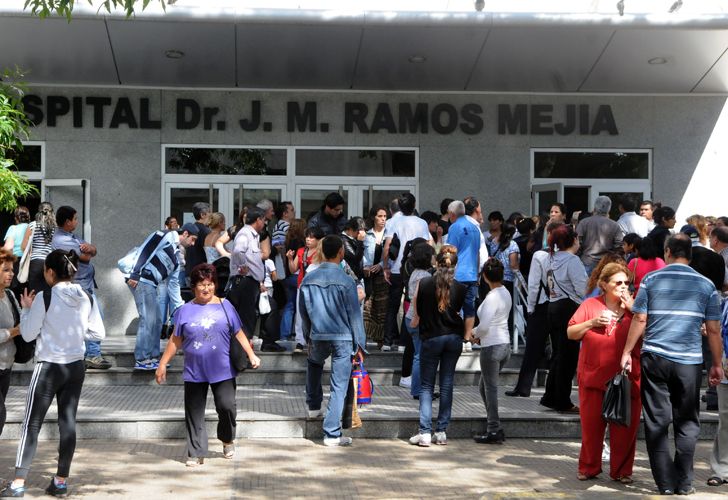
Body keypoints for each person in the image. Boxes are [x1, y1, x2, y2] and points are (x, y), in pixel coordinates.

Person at [620, 234, 724, 495]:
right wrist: (717, 364)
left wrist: (626, 351)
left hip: (655, 357)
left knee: (657, 422)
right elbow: (713, 330)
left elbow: (640, 318)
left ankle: (666, 484)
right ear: (689, 254)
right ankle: (685, 482)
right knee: (687, 422)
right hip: (689, 362)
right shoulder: (706, 285)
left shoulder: (652, 280)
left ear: (667, 252)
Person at [1, 250, 104, 498]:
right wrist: (74, 335)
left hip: (48, 367)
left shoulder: (45, 297)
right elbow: (97, 334)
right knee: (67, 423)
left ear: (49, 272)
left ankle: (18, 483)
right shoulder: (86, 296)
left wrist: (26, 311)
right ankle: (60, 481)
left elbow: (27, 334)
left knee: (31, 424)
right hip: (76, 367)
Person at [155, 263, 260, 467]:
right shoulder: (185, 310)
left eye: (210, 284)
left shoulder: (225, 305)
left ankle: (227, 439)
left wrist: (251, 354)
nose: (206, 288)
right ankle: (195, 451)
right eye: (202, 284)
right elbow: (176, 340)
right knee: (194, 412)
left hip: (223, 369)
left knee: (226, 406)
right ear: (194, 286)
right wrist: (162, 364)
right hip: (195, 370)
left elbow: (239, 332)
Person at [567, 262, 641, 484]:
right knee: (591, 428)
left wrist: (633, 310)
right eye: (618, 282)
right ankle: (589, 467)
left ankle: (622, 471)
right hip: (593, 377)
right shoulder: (591, 304)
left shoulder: (636, 308)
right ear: (604, 284)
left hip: (627, 378)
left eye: (626, 283)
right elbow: (571, 332)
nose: (623, 287)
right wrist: (591, 322)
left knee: (625, 430)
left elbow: (649, 333)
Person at [300, 235, 366, 447]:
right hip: (343, 336)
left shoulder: (308, 279)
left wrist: (307, 334)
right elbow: (354, 315)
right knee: (339, 385)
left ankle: (313, 405)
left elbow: (304, 313)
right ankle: (331, 433)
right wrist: (360, 344)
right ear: (341, 252)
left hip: (318, 333)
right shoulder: (346, 281)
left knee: (314, 363)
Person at [409, 245, 465, 447]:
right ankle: (441, 431)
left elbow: (417, 307)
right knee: (447, 384)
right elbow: (465, 313)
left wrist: (417, 320)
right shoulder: (460, 287)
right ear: (455, 265)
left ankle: (424, 431)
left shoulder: (424, 283)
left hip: (430, 337)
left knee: (426, 385)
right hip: (453, 338)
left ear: (436, 262)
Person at [126, 223, 198, 370]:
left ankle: (153, 357)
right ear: (185, 233)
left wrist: (179, 306)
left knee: (158, 320)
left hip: (152, 284)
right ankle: (142, 358)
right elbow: (145, 250)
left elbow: (174, 283)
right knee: (148, 318)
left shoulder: (177, 257)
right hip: (141, 280)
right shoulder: (163, 235)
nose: (193, 243)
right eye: (193, 239)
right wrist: (135, 272)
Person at [506, 221, 562, 398]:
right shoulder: (569, 257)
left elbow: (534, 285)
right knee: (559, 349)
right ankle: (555, 390)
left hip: (542, 304)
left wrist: (530, 307)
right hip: (561, 305)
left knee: (532, 348)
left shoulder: (540, 255)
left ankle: (523, 387)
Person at [52, 205, 111, 370]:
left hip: (85, 284)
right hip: (78, 284)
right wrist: (89, 250)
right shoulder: (61, 239)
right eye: (75, 219)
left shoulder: (73, 236)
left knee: (92, 316)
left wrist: (91, 248)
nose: (77, 221)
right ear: (67, 221)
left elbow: (93, 250)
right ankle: (91, 355)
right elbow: (85, 256)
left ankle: (89, 354)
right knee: (93, 316)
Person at [540, 224, 588, 413]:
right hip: (568, 308)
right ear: (572, 240)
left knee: (558, 355)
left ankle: (551, 396)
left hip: (553, 306)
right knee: (567, 357)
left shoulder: (551, 258)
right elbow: (582, 289)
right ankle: (562, 400)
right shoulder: (572, 260)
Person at [227, 207, 283, 352]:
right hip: (245, 283)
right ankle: (242, 354)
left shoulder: (253, 235)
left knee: (269, 307)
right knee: (246, 320)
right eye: (264, 220)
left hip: (252, 283)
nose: (265, 223)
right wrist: (242, 266)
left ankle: (266, 343)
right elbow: (238, 251)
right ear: (258, 220)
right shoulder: (245, 234)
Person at [381, 193, 433, 351]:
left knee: (393, 305)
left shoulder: (392, 222)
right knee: (411, 303)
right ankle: (404, 342)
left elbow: (387, 246)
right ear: (414, 204)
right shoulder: (422, 222)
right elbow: (428, 244)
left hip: (397, 268)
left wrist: (385, 267)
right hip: (415, 268)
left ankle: (387, 342)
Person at [472, 258, 512, 445]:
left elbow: (485, 326)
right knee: (485, 386)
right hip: (504, 344)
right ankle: (493, 424)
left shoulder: (492, 297)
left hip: (492, 346)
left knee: (490, 388)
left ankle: (493, 429)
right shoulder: (505, 293)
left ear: (485, 276)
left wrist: (473, 333)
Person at [446, 199, 482, 351]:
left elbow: (450, 252)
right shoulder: (475, 228)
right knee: (470, 308)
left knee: (452, 308)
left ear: (452, 214)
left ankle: (453, 337)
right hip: (472, 274)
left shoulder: (455, 227)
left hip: (458, 275)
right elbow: (478, 252)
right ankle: (466, 340)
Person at [402, 241, 435, 399]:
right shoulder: (425, 276)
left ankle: (421, 389)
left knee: (419, 354)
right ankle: (418, 391)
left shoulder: (415, 273)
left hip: (412, 317)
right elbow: (419, 300)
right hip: (417, 318)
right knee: (420, 356)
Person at [0, 249, 20, 437]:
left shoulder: (10, 296)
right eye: (6, 270)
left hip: (6, 364)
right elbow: (17, 328)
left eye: (12, 270)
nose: (11, 274)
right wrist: (14, 331)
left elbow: (22, 321)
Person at [576, 196, 623, 276]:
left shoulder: (584, 223)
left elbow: (577, 244)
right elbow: (619, 247)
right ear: (609, 209)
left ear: (595, 207)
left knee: (586, 287)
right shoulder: (615, 225)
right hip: (606, 264)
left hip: (586, 262)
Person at [363, 205, 388, 347]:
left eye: (385, 216)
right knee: (367, 307)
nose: (383, 219)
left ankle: (381, 339)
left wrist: (380, 265)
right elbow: (362, 253)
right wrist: (365, 266)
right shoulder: (367, 235)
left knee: (382, 307)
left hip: (383, 275)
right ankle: (365, 338)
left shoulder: (389, 234)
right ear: (373, 217)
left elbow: (392, 255)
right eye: (380, 216)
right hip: (368, 275)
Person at [21, 202, 56, 297]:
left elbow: (24, 246)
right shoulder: (55, 228)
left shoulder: (32, 225)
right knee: (49, 294)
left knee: (34, 294)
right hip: (49, 263)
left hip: (35, 262)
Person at [279, 218, 306, 341]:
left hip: (288, 276)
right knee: (300, 307)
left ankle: (284, 335)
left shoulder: (288, 240)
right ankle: (299, 334)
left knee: (289, 305)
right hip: (298, 276)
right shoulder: (301, 243)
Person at [2, 206, 30, 294]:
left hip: (16, 262)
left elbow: (8, 247)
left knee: (15, 291)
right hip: (30, 262)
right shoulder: (32, 228)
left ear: (16, 218)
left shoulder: (13, 228)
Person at [184, 202, 211, 279]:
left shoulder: (191, 228)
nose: (211, 216)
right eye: (209, 213)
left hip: (189, 271)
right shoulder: (206, 231)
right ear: (203, 215)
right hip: (200, 274)